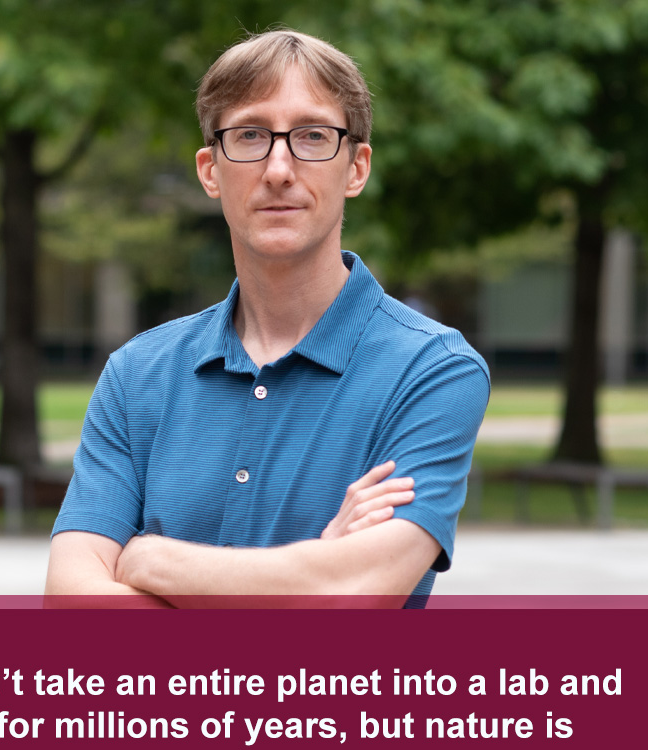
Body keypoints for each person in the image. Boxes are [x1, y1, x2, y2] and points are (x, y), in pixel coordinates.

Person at [46, 29, 489, 606]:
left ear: (356, 168)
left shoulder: (433, 370)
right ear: (210, 170)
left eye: (312, 136)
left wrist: (150, 559)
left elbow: (357, 594)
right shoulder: (136, 375)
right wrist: (314, 571)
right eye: (250, 136)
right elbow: (69, 602)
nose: (279, 168)